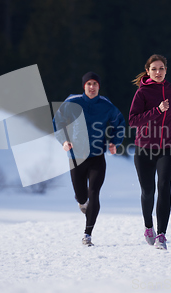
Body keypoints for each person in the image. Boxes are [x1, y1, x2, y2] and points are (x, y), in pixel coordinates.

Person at [53, 72, 125, 246]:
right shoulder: (72, 102)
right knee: (81, 196)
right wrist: (63, 140)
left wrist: (114, 142)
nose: (92, 87)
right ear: (84, 86)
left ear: (99, 87)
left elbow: (119, 122)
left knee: (94, 193)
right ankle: (82, 203)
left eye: (95, 84)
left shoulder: (106, 105)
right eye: (89, 84)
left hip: (97, 156)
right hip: (76, 156)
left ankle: (88, 234)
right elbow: (57, 122)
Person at [128, 54, 171, 250]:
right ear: (147, 71)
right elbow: (133, 120)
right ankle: (148, 227)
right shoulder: (142, 93)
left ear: (166, 70)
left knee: (164, 188)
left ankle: (161, 235)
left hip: (169, 147)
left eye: (161, 68)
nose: (158, 72)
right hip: (144, 148)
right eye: (154, 69)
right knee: (148, 191)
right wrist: (157, 110)